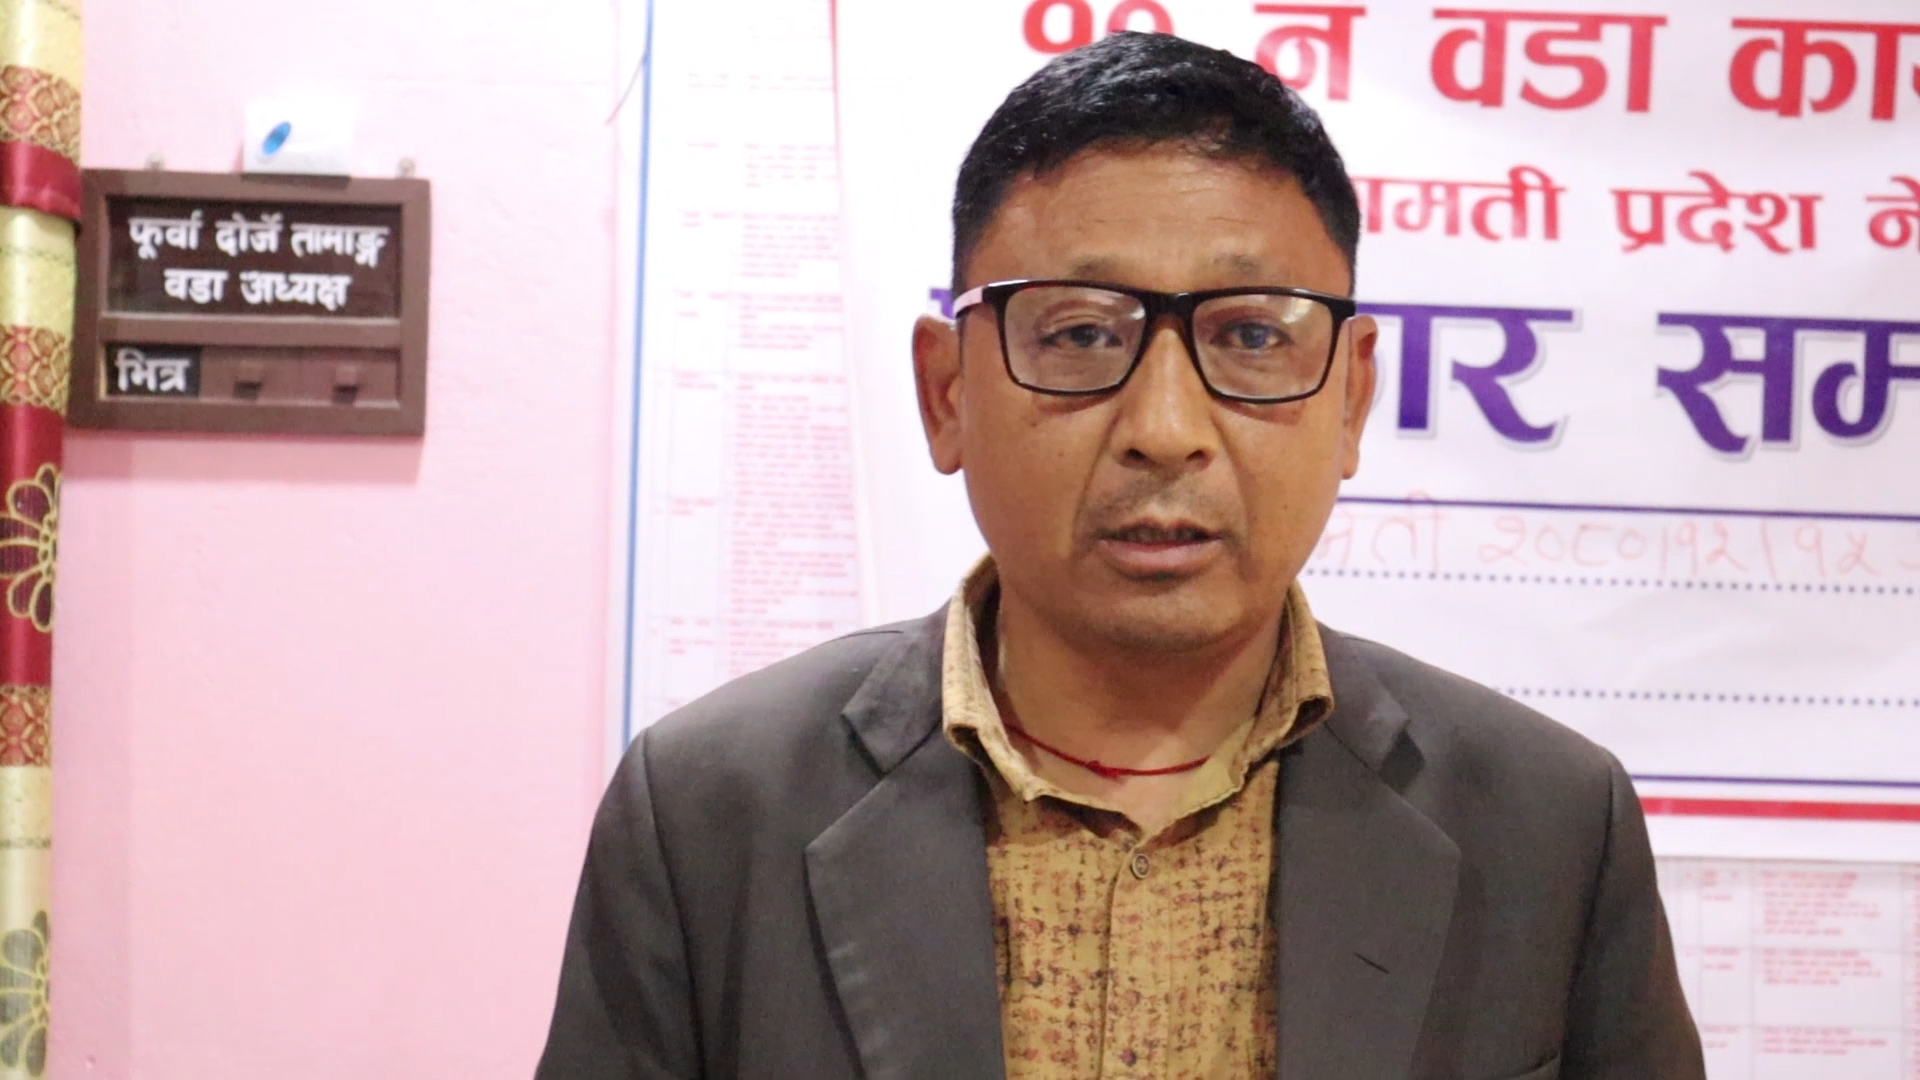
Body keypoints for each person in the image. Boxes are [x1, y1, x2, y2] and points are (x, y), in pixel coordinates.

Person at [535, 32, 1705, 1080]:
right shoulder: (710, 813)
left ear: (1350, 401)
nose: (1165, 427)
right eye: (1084, 333)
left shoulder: (1550, 825)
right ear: (946, 394)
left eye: (1250, 335)